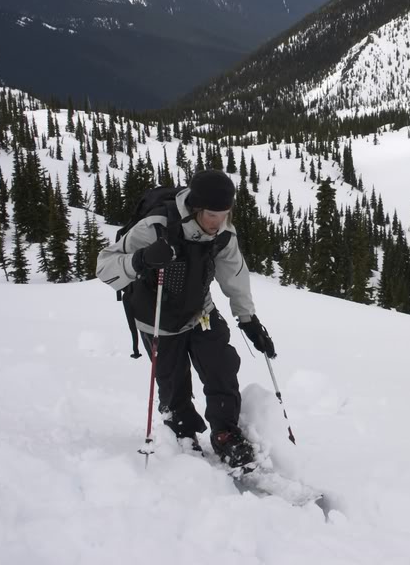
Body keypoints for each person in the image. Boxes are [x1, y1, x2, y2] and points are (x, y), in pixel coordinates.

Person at [96, 169, 276, 468]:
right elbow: (104, 267)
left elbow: (235, 276)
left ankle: (225, 433)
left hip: (200, 311)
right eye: (211, 215)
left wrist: (248, 320)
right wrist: (141, 259)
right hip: (157, 318)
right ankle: (183, 435)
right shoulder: (155, 227)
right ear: (195, 208)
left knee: (221, 367)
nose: (217, 222)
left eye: (224, 214)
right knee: (173, 384)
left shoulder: (222, 235)